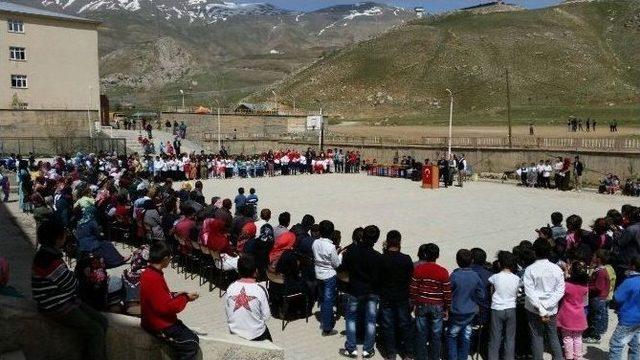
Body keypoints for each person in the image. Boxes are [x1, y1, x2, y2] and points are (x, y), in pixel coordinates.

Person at [32, 220, 108, 360]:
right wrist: (82, 277)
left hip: (63, 300)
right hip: (56, 305)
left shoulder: (45, 254)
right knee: (95, 330)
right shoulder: (50, 260)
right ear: (57, 239)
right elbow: (71, 285)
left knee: (102, 321)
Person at [140, 241, 200, 360]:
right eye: (170, 257)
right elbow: (167, 307)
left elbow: (158, 296)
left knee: (192, 337)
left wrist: (176, 294)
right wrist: (186, 298)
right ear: (165, 258)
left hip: (154, 319)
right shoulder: (154, 278)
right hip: (159, 324)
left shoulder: (149, 272)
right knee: (191, 343)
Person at [340, 225, 382, 359]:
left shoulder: (351, 252)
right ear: (376, 240)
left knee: (351, 318)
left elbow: (343, 269)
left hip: (354, 289)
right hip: (371, 291)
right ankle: (368, 349)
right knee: (370, 320)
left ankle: (351, 349)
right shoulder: (377, 257)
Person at [523, 238, 565, 360]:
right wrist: (547, 305)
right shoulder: (556, 269)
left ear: (534, 252)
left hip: (533, 309)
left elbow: (529, 292)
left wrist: (541, 308)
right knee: (553, 336)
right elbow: (560, 291)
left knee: (537, 337)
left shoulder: (530, 269)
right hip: (551, 309)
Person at [410, 243, 450, 360]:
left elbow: (413, 289)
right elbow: (447, 293)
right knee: (436, 335)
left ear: (425, 254)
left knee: (421, 333)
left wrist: (413, 304)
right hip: (437, 306)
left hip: (421, 304)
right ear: (437, 256)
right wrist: (447, 308)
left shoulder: (418, 269)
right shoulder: (443, 271)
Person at [378, 230, 414, 360]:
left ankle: (391, 353)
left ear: (387, 242)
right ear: (399, 242)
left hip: (386, 296)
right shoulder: (406, 259)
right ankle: (408, 353)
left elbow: (377, 278)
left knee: (388, 325)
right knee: (405, 324)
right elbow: (410, 277)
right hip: (402, 297)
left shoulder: (381, 259)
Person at [447, 249, 485, 360]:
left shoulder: (454, 276)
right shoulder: (475, 276)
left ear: (457, 261)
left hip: (456, 311)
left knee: (452, 336)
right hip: (470, 312)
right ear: (472, 261)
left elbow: (448, 292)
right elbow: (481, 295)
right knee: (466, 336)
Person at [224, 255, 272, 341]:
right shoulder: (260, 289)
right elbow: (266, 316)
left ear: (238, 271)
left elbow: (228, 312)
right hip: (256, 334)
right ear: (255, 271)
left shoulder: (230, 287)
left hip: (235, 332)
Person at [487, 251, 520, 360]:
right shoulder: (516, 278)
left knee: (495, 337)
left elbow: (491, 292)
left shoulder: (495, 277)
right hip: (511, 308)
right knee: (510, 338)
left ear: (499, 264)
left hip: (497, 308)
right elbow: (517, 294)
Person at [312, 220, 341, 336]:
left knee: (322, 298)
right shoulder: (330, 247)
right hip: (329, 275)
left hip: (318, 273)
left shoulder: (315, 243)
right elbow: (336, 264)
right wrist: (338, 253)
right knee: (328, 300)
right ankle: (327, 327)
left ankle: (324, 320)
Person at [608, 257, 640, 360]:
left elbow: (617, 298)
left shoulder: (629, 281)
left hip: (628, 319)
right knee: (635, 344)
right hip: (638, 320)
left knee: (616, 345)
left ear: (633, 266)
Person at [557, 261, 589, 360]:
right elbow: (585, 301)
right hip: (579, 315)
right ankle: (578, 357)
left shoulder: (566, 285)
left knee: (567, 338)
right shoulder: (585, 286)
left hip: (566, 314)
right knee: (578, 337)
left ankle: (569, 357)